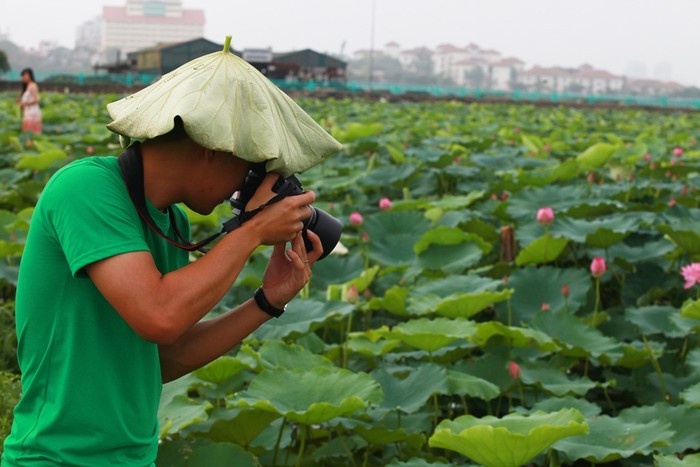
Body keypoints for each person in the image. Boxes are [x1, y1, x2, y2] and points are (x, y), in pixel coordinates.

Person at [1, 115, 324, 464]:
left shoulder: (173, 222)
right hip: (56, 457)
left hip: (137, 458)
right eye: (249, 170)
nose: (243, 189)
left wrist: (267, 300)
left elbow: (166, 356)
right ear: (212, 149)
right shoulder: (84, 187)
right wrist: (252, 232)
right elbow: (159, 316)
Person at [17, 68, 42, 134]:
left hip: (32, 113)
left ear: (30, 76)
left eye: (25, 76)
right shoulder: (27, 86)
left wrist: (24, 103)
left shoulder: (33, 85)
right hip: (28, 112)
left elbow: (36, 100)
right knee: (27, 133)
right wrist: (21, 101)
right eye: (22, 76)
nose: (23, 78)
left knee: (31, 133)